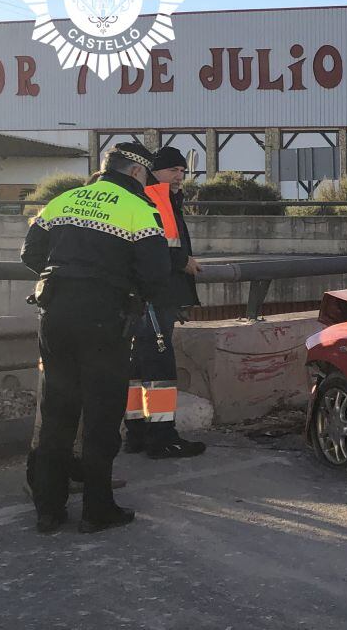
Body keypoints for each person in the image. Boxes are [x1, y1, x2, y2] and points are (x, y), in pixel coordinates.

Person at [21, 142, 171, 534]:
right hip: (105, 320)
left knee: (57, 412)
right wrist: (124, 292)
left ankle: (48, 510)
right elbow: (156, 272)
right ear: (137, 173)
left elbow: (29, 253)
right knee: (102, 416)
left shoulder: (64, 200)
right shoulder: (138, 209)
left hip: (54, 314)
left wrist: (66, 282)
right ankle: (97, 509)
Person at [125, 146, 206, 459]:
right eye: (174, 170)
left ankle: (136, 433)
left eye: (183, 171)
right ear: (153, 170)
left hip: (143, 298)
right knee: (159, 371)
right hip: (155, 299)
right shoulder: (156, 197)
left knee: (136, 369)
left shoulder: (160, 197)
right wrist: (181, 261)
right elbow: (158, 248)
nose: (180, 176)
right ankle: (162, 438)